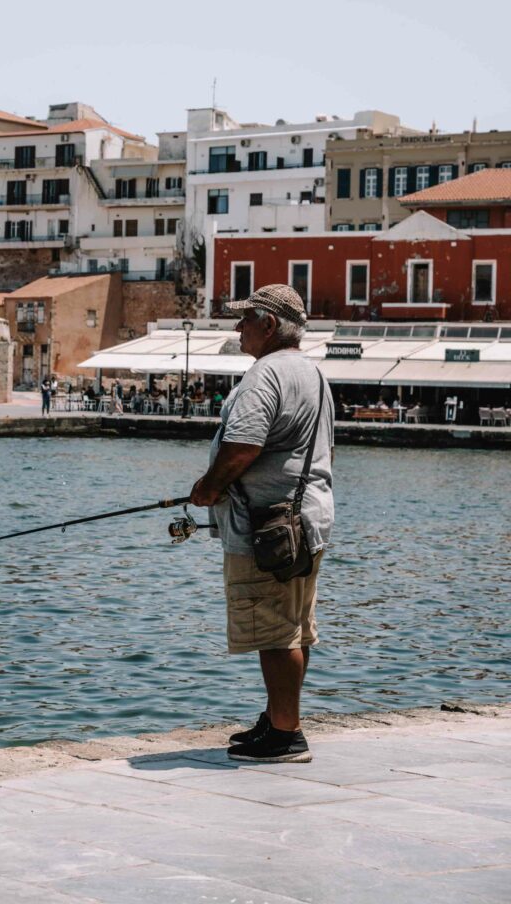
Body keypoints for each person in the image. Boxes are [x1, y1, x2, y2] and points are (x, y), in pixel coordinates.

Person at [189, 284, 334, 765]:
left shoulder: (264, 376)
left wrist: (208, 488)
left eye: (245, 319)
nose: (238, 327)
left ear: (269, 325)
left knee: (274, 631)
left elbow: (243, 447)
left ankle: (286, 735)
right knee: (292, 627)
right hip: (305, 519)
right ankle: (277, 717)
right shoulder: (311, 373)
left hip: (268, 525)